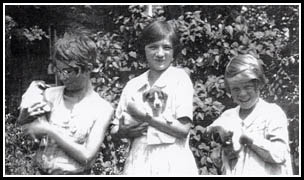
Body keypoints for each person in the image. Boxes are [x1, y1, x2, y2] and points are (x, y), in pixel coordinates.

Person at [17, 32, 114, 175]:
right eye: (59, 70)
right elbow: (26, 137)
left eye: (68, 71)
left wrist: (49, 130)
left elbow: (87, 157)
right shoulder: (50, 95)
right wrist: (22, 120)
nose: (62, 77)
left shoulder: (102, 109)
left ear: (88, 68)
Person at [110, 20, 198, 175]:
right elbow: (115, 130)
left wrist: (145, 117)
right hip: (138, 160)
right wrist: (124, 131)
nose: (159, 53)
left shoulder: (179, 80)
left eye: (166, 47)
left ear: (174, 51)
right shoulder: (133, 86)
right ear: (144, 49)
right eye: (153, 47)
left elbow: (183, 129)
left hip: (174, 160)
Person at [207, 54, 293, 175]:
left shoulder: (272, 113)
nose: (242, 94)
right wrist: (225, 144)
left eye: (247, 87)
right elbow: (223, 160)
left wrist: (251, 141)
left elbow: (280, 155)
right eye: (236, 89)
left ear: (258, 85)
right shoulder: (228, 116)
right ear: (229, 89)